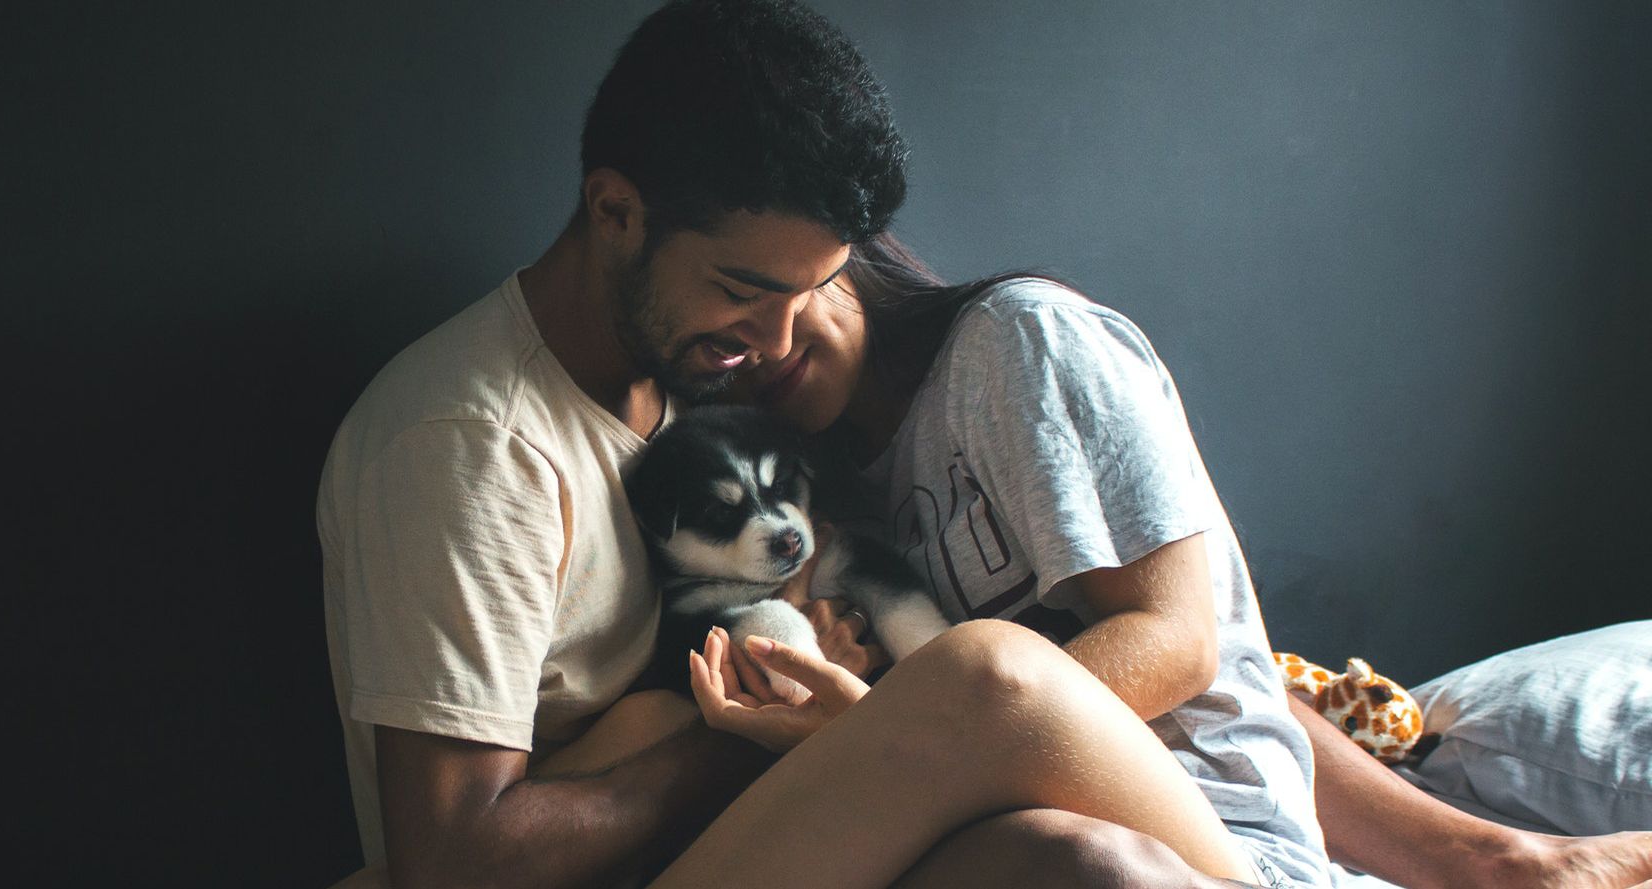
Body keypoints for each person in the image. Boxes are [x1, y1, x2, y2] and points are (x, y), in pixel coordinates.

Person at [319, 2, 1285, 887]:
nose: (777, 343)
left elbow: (1205, 652)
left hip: (772, 828)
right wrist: (754, 729)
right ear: (616, 212)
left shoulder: (693, 388)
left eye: (809, 292)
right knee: (986, 677)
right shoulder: (474, 443)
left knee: (1090, 866)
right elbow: (451, 863)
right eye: (744, 290)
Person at [707, 230, 1652, 889]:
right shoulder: (817, 495)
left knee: (1052, 818)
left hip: (1203, 838)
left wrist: (890, 742)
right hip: (1005, 824)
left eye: (762, 290)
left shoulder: (1014, 346)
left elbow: (1182, 644)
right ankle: (1498, 861)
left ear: (834, 242)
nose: (756, 348)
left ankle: (1504, 860)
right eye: (712, 343)